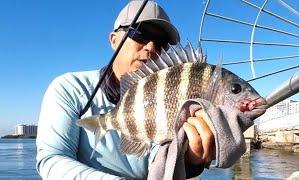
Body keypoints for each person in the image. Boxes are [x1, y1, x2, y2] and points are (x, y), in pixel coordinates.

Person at [36, 1, 215, 179]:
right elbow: (52, 160)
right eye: (140, 34)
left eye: (161, 42)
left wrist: (188, 161)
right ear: (114, 40)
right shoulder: (70, 88)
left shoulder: (172, 98)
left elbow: (158, 160)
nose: (151, 47)